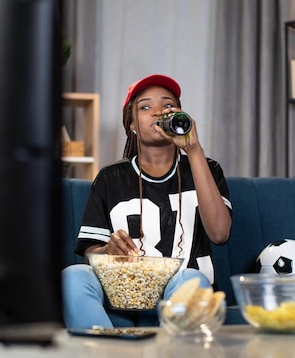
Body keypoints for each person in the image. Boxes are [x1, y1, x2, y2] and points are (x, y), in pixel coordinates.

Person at [62, 74, 232, 329]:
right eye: (145, 107)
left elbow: (220, 233)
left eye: (167, 105)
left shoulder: (207, 168)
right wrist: (108, 251)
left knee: (193, 282)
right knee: (72, 276)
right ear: (131, 124)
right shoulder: (110, 177)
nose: (157, 112)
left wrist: (194, 149)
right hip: (122, 289)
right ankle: (107, 357)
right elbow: (90, 254)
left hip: (182, 286)